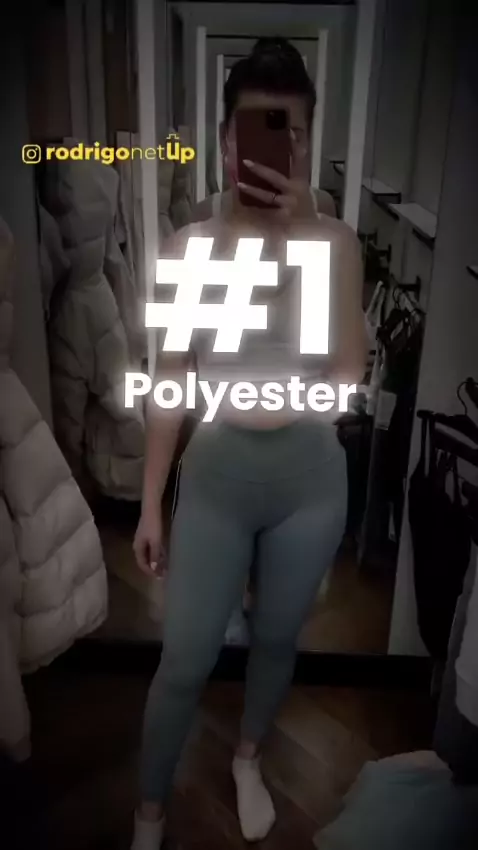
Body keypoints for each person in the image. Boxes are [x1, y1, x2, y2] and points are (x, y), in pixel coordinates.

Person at [131, 37, 367, 850]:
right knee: (184, 659)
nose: (272, 148)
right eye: (256, 131)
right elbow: (169, 384)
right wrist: (150, 504)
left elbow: (345, 381)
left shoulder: (335, 244)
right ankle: (148, 815)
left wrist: (307, 240)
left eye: (289, 133)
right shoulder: (189, 248)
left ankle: (247, 758)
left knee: (275, 639)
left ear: (305, 142)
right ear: (228, 140)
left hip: (309, 481)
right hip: (218, 476)